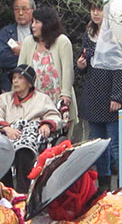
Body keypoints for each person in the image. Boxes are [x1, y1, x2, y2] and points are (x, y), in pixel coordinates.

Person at [76, 0, 122, 191]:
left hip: (112, 97)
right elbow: (85, 65)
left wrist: (118, 96)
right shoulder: (89, 34)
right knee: (98, 145)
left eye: (99, 9)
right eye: (93, 8)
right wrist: (81, 65)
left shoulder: (118, 36)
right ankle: (104, 187)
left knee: (117, 146)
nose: (95, 13)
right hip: (93, 95)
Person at [0, 64, 62, 193]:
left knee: (23, 153)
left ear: (29, 83)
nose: (15, 81)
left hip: (31, 135)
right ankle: (6, 192)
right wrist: (7, 129)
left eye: (20, 78)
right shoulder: (4, 99)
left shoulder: (42, 99)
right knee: (1, 151)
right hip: (8, 133)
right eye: (14, 78)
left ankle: (23, 194)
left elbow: (54, 115)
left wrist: (46, 125)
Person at [17, 7, 78, 139]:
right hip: (34, 104)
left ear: (48, 24)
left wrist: (65, 96)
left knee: (60, 145)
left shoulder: (62, 42)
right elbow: (20, 71)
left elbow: (68, 71)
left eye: (37, 22)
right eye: (32, 22)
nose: (33, 26)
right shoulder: (28, 42)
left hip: (58, 102)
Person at [0, 0, 35, 92]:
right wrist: (30, 56)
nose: (20, 13)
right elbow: (3, 60)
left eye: (24, 9)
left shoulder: (40, 31)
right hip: (11, 85)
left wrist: (23, 51)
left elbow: (44, 58)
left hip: (36, 84)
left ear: (33, 11)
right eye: (16, 9)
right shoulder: (6, 32)